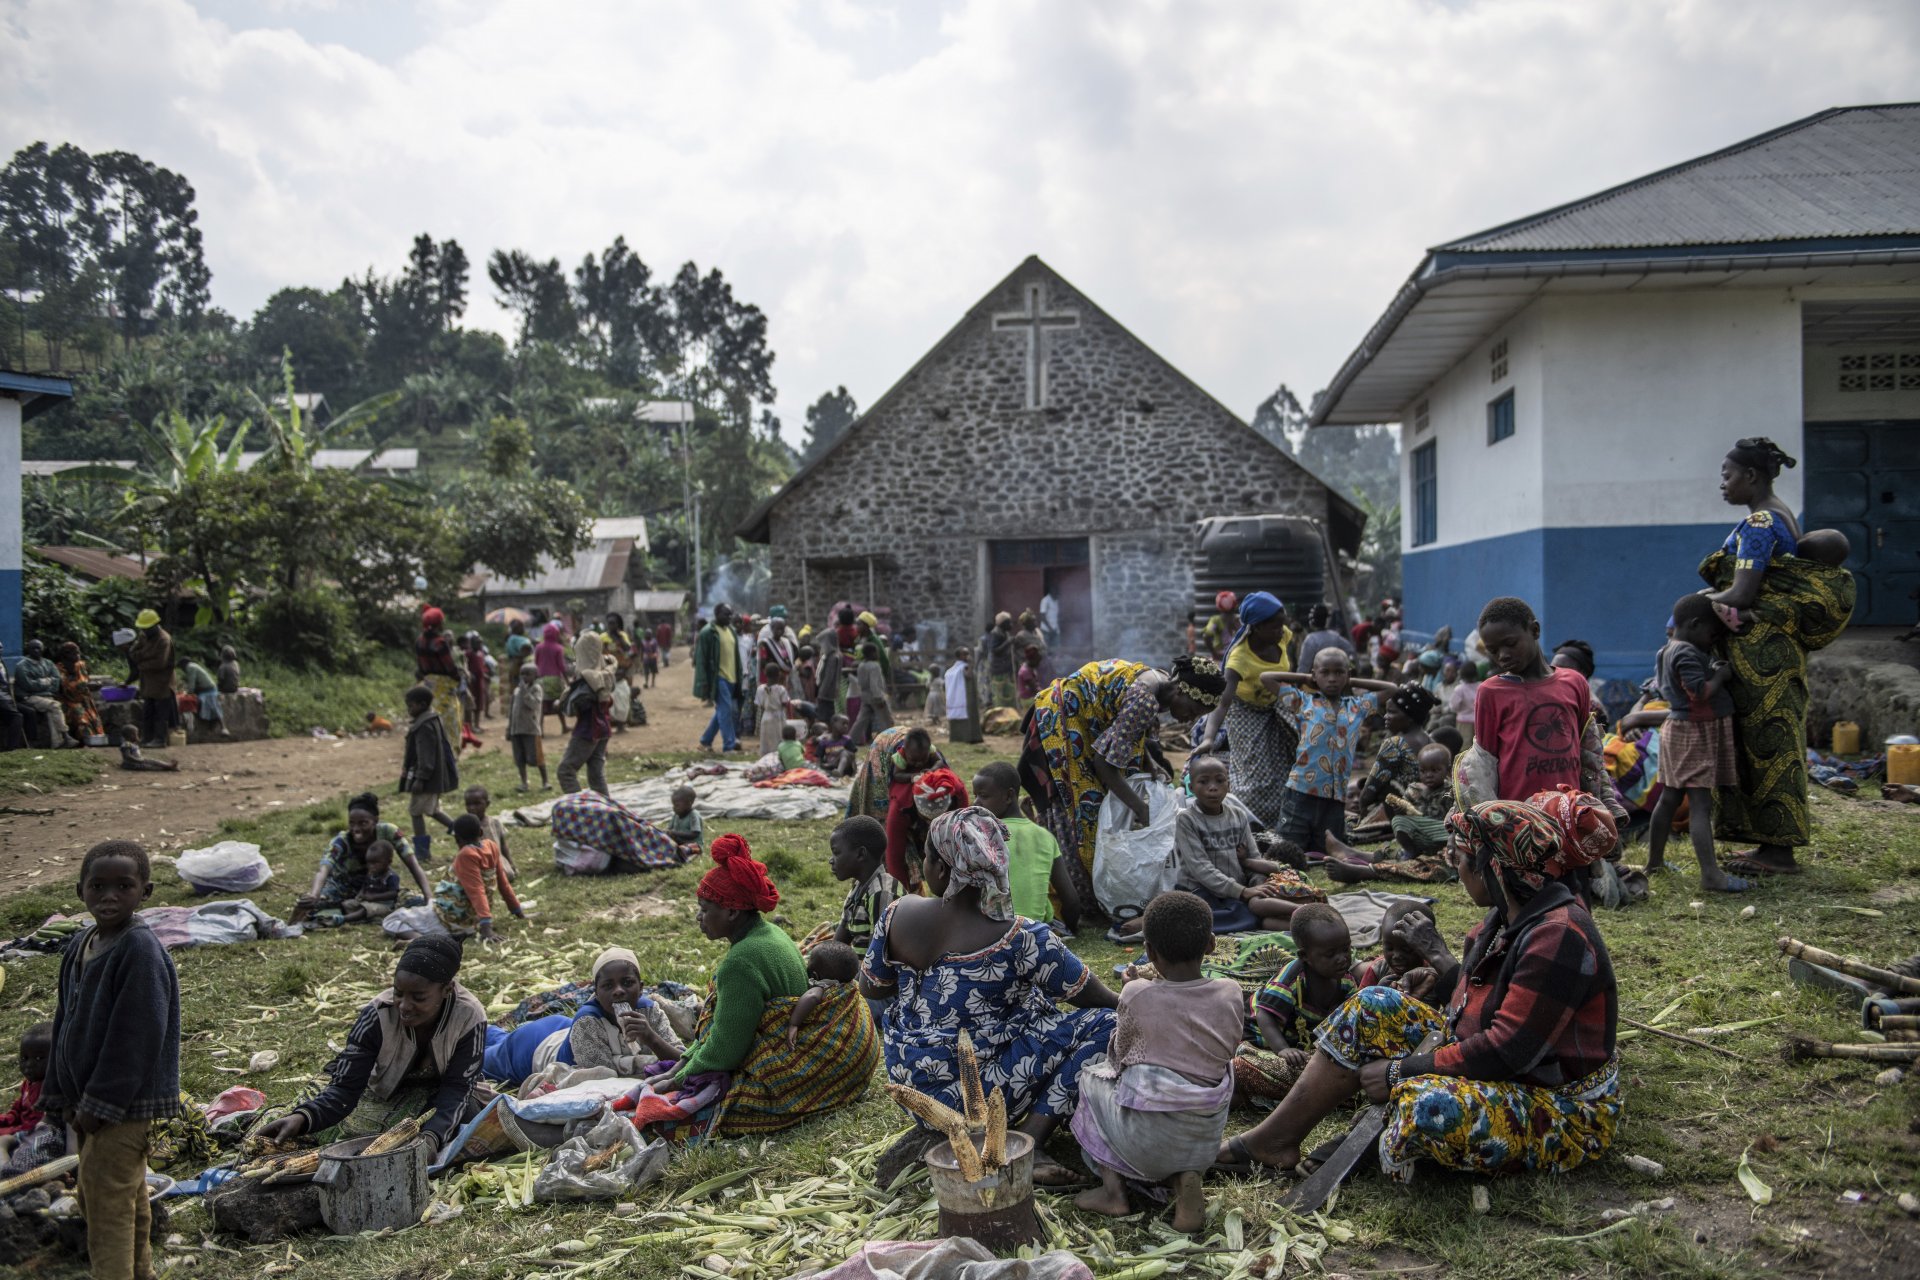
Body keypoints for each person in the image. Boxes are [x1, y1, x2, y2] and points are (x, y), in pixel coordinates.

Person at [1217, 800, 1620, 1184]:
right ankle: (1275, 1140)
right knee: (1371, 1006)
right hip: (1509, 1069)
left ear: (1492, 869)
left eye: (1462, 860)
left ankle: (1374, 1139)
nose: (1458, 870)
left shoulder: (1557, 935)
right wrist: (1443, 984)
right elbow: (1476, 1010)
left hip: (1564, 1106)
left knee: (1427, 1103)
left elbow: (1508, 1050)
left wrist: (1400, 1070)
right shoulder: (1504, 919)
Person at [861, 807, 1119, 1185]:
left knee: (1032, 1005)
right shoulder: (1022, 937)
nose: (926, 866)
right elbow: (1097, 999)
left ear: (944, 870)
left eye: (929, 857)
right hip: (974, 1097)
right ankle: (1028, 1141)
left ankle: (1016, 1135)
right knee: (1107, 1024)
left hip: (913, 1087)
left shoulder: (899, 913)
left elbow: (872, 987)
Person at [653, 836, 880, 1139]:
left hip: (802, 1058)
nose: (698, 917)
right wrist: (681, 1061)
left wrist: (678, 1079)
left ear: (732, 912)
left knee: (705, 1111)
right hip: (849, 1059)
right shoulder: (770, 932)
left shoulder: (740, 963)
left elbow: (727, 1048)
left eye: (705, 909)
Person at [1701, 437, 1855, 876]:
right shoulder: (1783, 516)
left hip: (1761, 652)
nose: (1723, 485)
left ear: (1751, 476)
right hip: (1769, 649)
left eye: (1727, 476)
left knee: (1769, 743)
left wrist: (1697, 602)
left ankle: (1780, 853)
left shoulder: (1761, 522)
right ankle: (1770, 845)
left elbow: (1744, 592)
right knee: (1771, 742)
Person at [42, 840, 180, 1280]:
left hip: (122, 1104)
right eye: (98, 886)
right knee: (119, 1193)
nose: (109, 897)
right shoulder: (83, 943)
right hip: (90, 1101)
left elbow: (135, 1038)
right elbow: (64, 1022)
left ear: (147, 891)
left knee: (105, 1205)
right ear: (79, 888)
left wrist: (100, 1104)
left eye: (124, 886)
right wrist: (61, 1093)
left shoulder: (139, 950)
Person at [1070, 890, 1242, 1231]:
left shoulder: (1137, 993)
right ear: (1211, 945)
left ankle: (1112, 1192)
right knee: (1185, 1099)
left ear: (1149, 950)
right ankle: (1184, 1179)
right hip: (1202, 1142)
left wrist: (1133, 988)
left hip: (1145, 1143)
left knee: (1091, 1078)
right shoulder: (1231, 992)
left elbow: (1120, 1058)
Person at [1021, 655, 1225, 910]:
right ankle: (1081, 896)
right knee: (1086, 806)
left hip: (1084, 718)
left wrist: (1149, 762)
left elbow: (1126, 729)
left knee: (1105, 798)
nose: (1189, 719)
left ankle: (1083, 890)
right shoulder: (1145, 699)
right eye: (1193, 711)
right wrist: (1141, 808)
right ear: (1182, 690)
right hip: (1063, 716)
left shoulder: (1160, 684)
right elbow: (1103, 764)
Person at [255, 937, 487, 1147]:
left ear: (447, 989)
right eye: (398, 993)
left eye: (419, 998)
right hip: (379, 1088)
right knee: (331, 1129)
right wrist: (303, 1118)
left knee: (468, 1119)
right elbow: (346, 1088)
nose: (404, 1006)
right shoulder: (378, 1014)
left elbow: (457, 1088)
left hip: (436, 1093)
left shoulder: (469, 1017)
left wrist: (431, 1139)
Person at [1458, 598, 1627, 841]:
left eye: (1510, 644)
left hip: (1571, 813)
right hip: (1519, 820)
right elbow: (1485, 764)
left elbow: (1587, 752)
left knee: (1576, 876)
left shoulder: (1575, 683)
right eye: (1493, 651)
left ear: (1534, 630)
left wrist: (1602, 809)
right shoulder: (1490, 693)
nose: (1502, 656)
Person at [1647, 593, 1748, 891]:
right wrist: (1720, 676)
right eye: (1711, 634)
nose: (1712, 640)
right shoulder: (1687, 653)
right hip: (1694, 732)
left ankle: (1654, 862)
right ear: (1693, 624)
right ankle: (1711, 875)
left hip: (1679, 731)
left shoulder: (1666, 650)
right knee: (1701, 804)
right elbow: (1699, 693)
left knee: (1670, 797)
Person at [1257, 650, 1400, 852]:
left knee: (1325, 848)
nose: (1332, 678)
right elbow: (1266, 678)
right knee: (1290, 847)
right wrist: (1308, 678)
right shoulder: (1303, 702)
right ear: (1315, 675)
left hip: (1335, 795)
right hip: (1302, 790)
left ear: (1347, 675)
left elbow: (1391, 688)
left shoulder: (1357, 707)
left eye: (1339, 672)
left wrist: (1350, 681)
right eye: (1325, 673)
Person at [483, 946, 684, 1085]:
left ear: (641, 988)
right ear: (595, 992)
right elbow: (606, 1080)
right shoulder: (588, 1021)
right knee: (478, 1061)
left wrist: (651, 1037)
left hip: (561, 1028)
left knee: (499, 1037)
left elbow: (683, 1059)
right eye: (608, 986)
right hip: (532, 1050)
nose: (618, 991)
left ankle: (488, 1031)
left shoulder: (650, 1011)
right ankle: (475, 1028)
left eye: (627, 982)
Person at [1193, 590, 1298, 829]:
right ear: (1256, 628)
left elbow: (1288, 666)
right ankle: (1251, 826)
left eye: (1282, 625)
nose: (1281, 631)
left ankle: (1285, 823)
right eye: (1274, 627)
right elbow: (1222, 703)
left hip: (1276, 706)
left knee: (1288, 762)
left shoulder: (1282, 636)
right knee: (1255, 775)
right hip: (1245, 712)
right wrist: (1209, 737)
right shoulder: (1239, 659)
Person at [1233, 904, 1356, 1102]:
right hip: (1257, 1033)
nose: (1342, 959)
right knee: (1248, 1063)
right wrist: (1282, 1049)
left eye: (1346, 949)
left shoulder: (1346, 981)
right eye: (1331, 954)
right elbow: (1265, 1015)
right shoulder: (1291, 980)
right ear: (1305, 956)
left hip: (1297, 1040)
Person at [1169, 755, 1303, 932]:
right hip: (1200, 890)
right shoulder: (1187, 820)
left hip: (1235, 891)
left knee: (1258, 911)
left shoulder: (1238, 816)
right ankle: (1175, 919)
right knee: (1203, 920)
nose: (1212, 788)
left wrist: (1258, 887)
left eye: (1219, 780)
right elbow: (1200, 868)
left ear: (1228, 785)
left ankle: (1303, 914)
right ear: (1191, 787)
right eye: (1203, 782)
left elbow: (1252, 857)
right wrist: (1242, 892)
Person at [973, 761, 1080, 933]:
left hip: (988, 931)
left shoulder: (981, 835)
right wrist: (1071, 928)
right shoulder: (1045, 836)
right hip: (1034, 932)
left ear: (1009, 796)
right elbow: (1071, 900)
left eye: (983, 796)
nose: (975, 803)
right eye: (975, 795)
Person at [293, 792, 434, 923]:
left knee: (417, 902)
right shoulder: (342, 841)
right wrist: (314, 894)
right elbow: (323, 870)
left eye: (363, 823)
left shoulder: (388, 832)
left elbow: (414, 865)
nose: (356, 829)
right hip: (343, 888)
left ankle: (354, 913)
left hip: (378, 889)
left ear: (375, 821)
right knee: (310, 905)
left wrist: (429, 897)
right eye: (352, 823)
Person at [386, 813, 524, 942]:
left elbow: (477, 892)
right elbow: (503, 883)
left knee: (392, 920)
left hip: (450, 921)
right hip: (473, 921)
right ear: (481, 832)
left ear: (457, 839)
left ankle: (419, 940)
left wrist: (487, 930)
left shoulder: (466, 855)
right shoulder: (491, 847)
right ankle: (447, 934)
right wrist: (518, 911)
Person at [1356, 685, 1440, 815]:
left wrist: (1362, 812)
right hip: (1425, 812)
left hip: (1397, 814)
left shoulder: (1395, 744)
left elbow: (1369, 792)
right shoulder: (1431, 742)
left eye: (1392, 712)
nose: (1385, 716)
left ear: (1410, 716)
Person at [399, 685, 459, 863]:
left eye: (411, 706)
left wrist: (420, 778)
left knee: (416, 811)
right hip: (434, 777)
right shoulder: (431, 720)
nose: (409, 710)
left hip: (427, 778)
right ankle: (465, 833)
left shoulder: (424, 726)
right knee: (433, 811)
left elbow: (427, 756)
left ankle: (422, 853)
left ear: (422, 704)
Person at [558, 648, 613, 796]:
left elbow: (577, 706)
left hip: (588, 729)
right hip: (603, 727)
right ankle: (605, 810)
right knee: (596, 774)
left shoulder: (588, 679)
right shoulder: (606, 672)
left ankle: (581, 809)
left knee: (565, 771)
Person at [787, 942, 858, 1049]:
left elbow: (812, 996)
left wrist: (794, 1024)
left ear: (815, 975)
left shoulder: (822, 986)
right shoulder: (850, 985)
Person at [122, 611, 176, 748]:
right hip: (148, 682)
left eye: (146, 628)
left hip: (162, 682)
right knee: (147, 712)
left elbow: (160, 663)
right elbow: (133, 652)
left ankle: (160, 739)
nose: (144, 631)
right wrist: (146, 656)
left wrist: (141, 662)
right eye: (142, 628)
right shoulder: (143, 636)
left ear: (155, 625)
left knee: (161, 714)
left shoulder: (164, 640)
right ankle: (147, 738)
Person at [693, 604, 742, 754]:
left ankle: (705, 742)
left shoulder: (731, 631)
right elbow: (701, 659)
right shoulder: (708, 632)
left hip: (732, 678)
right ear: (716, 614)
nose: (729, 618)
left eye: (730, 615)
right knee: (725, 711)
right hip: (718, 678)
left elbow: (736, 657)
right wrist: (704, 683)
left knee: (721, 712)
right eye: (726, 615)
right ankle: (729, 746)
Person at [414, 607, 463, 753]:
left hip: (428, 686)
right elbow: (449, 667)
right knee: (449, 723)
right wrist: (458, 676)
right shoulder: (440, 643)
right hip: (444, 688)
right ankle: (449, 756)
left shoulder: (419, 641)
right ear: (439, 624)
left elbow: (420, 667)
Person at [11, 640, 66, 748]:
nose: (36, 651)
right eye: (33, 648)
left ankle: (57, 743)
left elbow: (56, 682)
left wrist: (40, 683)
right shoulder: (22, 666)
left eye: (39, 648)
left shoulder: (48, 663)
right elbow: (28, 685)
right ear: (29, 649)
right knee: (55, 705)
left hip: (46, 697)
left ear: (43, 649)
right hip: (29, 697)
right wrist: (46, 682)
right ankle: (66, 734)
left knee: (51, 712)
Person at [49, 642, 101, 748]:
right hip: (67, 699)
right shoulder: (59, 669)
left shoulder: (80, 666)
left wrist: (90, 686)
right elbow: (66, 687)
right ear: (66, 655)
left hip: (83, 698)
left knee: (94, 718)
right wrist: (86, 687)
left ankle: (96, 739)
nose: (78, 655)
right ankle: (84, 741)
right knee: (80, 716)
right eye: (75, 653)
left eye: (78, 652)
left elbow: (86, 680)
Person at [465, 785, 519, 883]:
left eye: (477, 804)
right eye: (468, 804)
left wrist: (511, 863)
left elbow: (503, 846)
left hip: (497, 861)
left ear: (487, 804)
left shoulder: (495, 823)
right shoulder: (466, 826)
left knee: (508, 874)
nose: (472, 808)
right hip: (476, 863)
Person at [339, 841, 402, 923]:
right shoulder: (371, 874)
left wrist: (374, 897)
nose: (371, 866)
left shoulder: (391, 876)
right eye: (369, 863)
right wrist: (361, 893)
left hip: (384, 905)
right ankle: (359, 917)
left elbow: (393, 893)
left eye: (375, 863)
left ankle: (344, 919)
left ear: (389, 862)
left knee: (366, 909)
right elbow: (365, 885)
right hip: (367, 902)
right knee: (347, 904)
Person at [507, 666, 548, 791]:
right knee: (520, 758)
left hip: (531, 729)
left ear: (535, 675)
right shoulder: (516, 690)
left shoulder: (536, 689)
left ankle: (545, 782)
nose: (524, 677)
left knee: (536, 757)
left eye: (527, 674)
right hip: (516, 729)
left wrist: (525, 692)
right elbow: (511, 711)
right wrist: (509, 728)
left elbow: (534, 705)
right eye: (522, 674)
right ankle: (524, 783)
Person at [850, 641, 892, 745]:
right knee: (885, 719)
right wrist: (879, 698)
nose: (878, 654)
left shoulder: (861, 665)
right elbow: (874, 684)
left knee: (861, 720)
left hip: (865, 695)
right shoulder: (874, 666)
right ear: (872, 653)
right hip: (875, 696)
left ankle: (851, 739)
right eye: (876, 652)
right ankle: (888, 740)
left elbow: (860, 682)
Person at [177, 656, 228, 738]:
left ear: (183, 665)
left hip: (209, 690)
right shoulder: (193, 666)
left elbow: (191, 687)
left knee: (211, 705)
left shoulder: (190, 667)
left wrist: (186, 693)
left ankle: (222, 728)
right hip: (204, 690)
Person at [534, 622, 572, 735]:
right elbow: (561, 666)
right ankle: (564, 726)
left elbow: (536, 663)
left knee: (541, 706)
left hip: (541, 680)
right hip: (555, 680)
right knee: (558, 704)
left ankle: (540, 730)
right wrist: (567, 681)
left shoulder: (539, 647)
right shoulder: (558, 648)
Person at [1295, 603, 1354, 674]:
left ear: (1312, 621)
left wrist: (1298, 682)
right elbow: (1350, 650)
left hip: (1318, 678)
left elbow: (1304, 666)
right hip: (1336, 675)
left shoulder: (1311, 639)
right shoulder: (1334, 635)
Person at [982, 612, 1019, 708]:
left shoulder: (1004, 632)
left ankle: (1008, 708)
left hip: (1005, 667)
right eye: (1008, 622)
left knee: (1007, 690)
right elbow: (994, 650)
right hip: (998, 668)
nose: (1011, 625)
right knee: (1000, 691)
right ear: (1003, 624)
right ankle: (1000, 708)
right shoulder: (995, 633)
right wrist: (1008, 642)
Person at [945, 646, 981, 744]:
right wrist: (971, 663)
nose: (968, 655)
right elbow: (968, 675)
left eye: (968, 653)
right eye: (965, 654)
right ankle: (969, 737)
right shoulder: (963, 667)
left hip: (961, 696)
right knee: (968, 715)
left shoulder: (953, 669)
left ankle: (960, 737)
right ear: (959, 656)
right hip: (965, 697)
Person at [1449, 659, 1481, 748]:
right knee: (1478, 747)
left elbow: (1453, 706)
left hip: (1463, 722)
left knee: (1464, 748)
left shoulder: (1459, 689)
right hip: (1479, 721)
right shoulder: (1481, 686)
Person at [759, 678, 794, 758]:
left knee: (766, 737)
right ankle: (778, 755)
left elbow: (760, 704)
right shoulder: (781, 689)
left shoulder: (760, 688)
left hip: (766, 715)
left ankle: (765, 758)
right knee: (779, 736)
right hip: (779, 716)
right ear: (778, 675)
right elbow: (785, 702)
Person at [666, 784, 705, 855]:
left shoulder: (693, 815)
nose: (674, 807)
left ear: (689, 803)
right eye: (673, 805)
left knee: (682, 850)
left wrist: (675, 833)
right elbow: (669, 830)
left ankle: (677, 853)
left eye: (677, 805)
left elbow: (695, 834)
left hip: (694, 845)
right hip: (680, 843)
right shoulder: (676, 816)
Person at [816, 714, 857, 778]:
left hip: (845, 769)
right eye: (843, 723)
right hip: (830, 767)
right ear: (833, 724)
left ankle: (839, 771)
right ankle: (833, 771)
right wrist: (818, 770)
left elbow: (852, 756)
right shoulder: (824, 741)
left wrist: (841, 751)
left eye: (847, 724)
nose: (846, 726)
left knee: (844, 752)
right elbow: (819, 758)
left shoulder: (847, 740)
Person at [502, 618, 533, 693]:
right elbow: (525, 648)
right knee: (522, 689)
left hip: (512, 664)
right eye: (522, 627)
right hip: (520, 665)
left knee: (514, 688)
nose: (524, 629)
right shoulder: (519, 639)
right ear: (518, 629)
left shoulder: (510, 638)